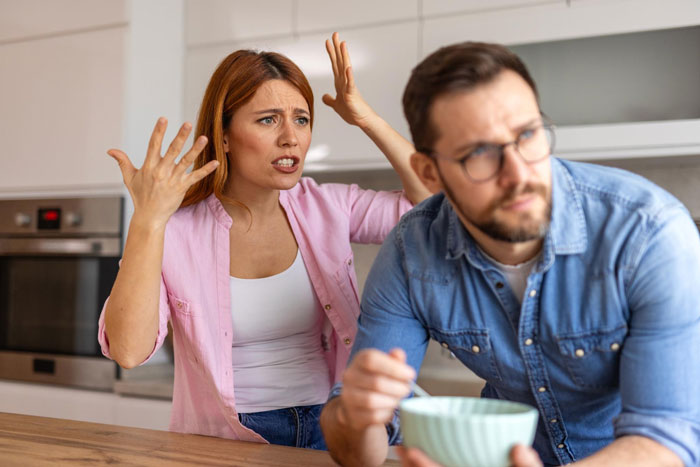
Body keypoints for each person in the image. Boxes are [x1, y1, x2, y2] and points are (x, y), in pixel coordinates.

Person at [320, 41, 700, 466]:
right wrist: (356, 417)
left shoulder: (648, 232)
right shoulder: (412, 252)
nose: (519, 174)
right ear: (430, 173)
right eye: (480, 153)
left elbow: (667, 439)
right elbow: (359, 449)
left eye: (527, 135)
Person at [97, 32, 430, 450]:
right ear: (224, 137)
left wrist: (366, 119)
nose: (291, 137)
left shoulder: (326, 206)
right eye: (268, 119)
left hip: (334, 430)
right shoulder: (175, 230)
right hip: (228, 439)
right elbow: (128, 351)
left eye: (302, 119)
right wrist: (147, 221)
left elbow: (432, 208)